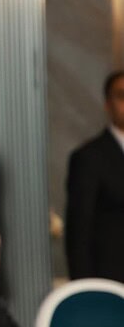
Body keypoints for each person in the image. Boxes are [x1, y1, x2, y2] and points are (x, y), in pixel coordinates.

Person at [65, 69, 124, 282]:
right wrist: (85, 288)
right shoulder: (89, 157)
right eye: (122, 96)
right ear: (108, 104)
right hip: (111, 281)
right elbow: (79, 230)